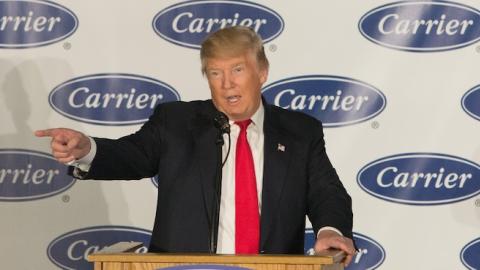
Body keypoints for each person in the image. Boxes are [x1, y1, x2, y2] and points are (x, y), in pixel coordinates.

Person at [36, 26, 356, 266]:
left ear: (262, 72)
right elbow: (131, 156)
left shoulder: (300, 132)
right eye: (215, 72)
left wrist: (329, 230)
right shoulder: (176, 122)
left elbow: (326, 192)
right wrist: (87, 149)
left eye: (237, 70)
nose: (226, 83)